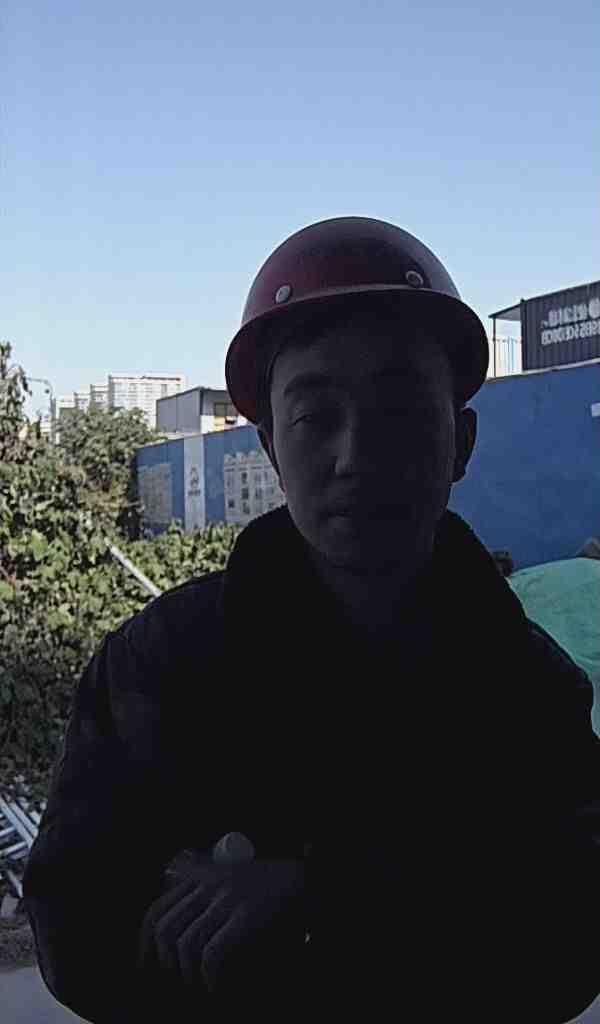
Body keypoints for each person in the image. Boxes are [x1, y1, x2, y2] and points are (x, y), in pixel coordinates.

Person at [22, 217, 600, 1022]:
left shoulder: (527, 687)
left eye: (401, 410)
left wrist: (314, 898)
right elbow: (75, 928)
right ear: (270, 448)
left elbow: (572, 939)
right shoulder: (161, 668)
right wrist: (436, 911)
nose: (357, 455)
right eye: (315, 417)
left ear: (461, 442)